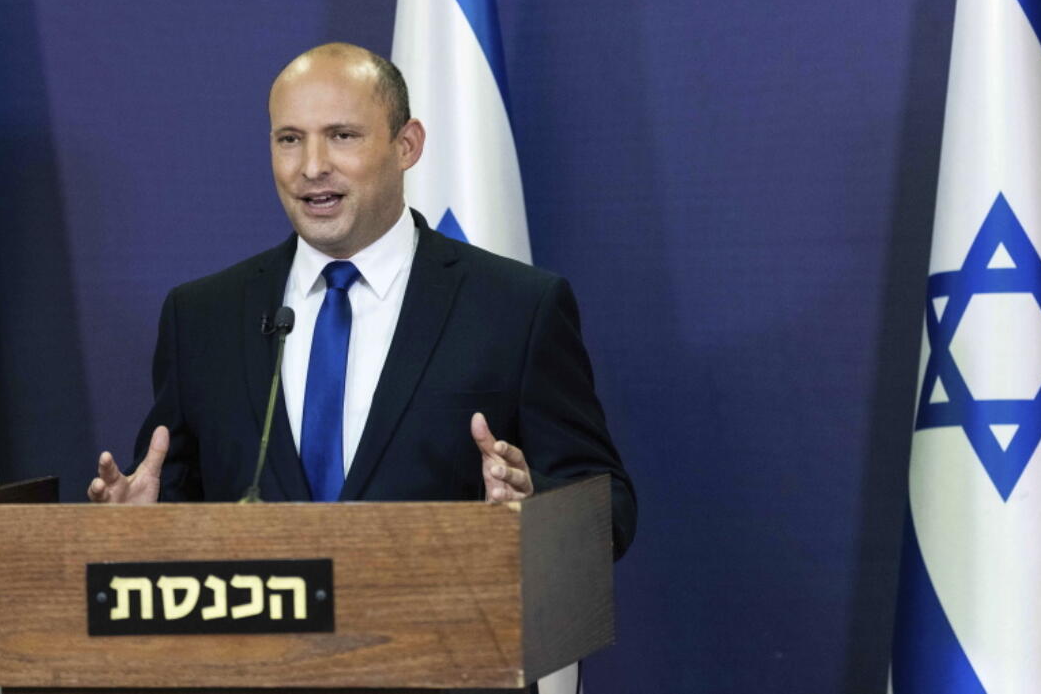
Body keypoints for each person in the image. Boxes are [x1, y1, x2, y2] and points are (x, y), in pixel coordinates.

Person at [87, 42, 636, 561]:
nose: (312, 166)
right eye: (289, 139)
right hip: (255, 652)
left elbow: (609, 510)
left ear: (407, 145)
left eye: (342, 136)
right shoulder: (202, 317)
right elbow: (178, 489)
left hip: (444, 645)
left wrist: (531, 506)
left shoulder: (516, 308)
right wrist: (144, 524)